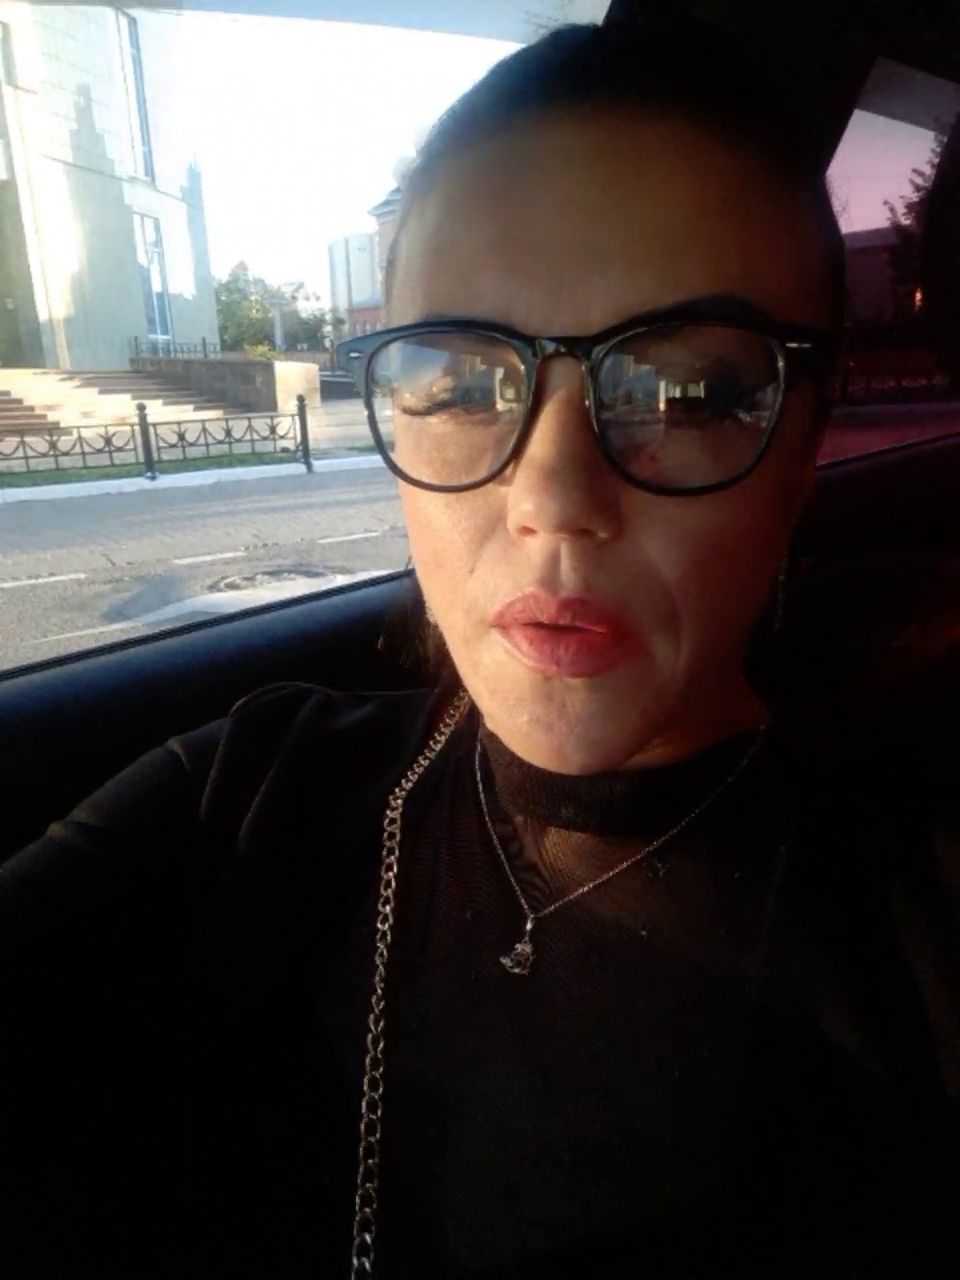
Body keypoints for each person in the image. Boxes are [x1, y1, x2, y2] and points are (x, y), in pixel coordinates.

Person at [1, 15, 958, 1280]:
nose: (553, 497)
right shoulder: (243, 805)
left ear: (806, 446)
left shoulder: (922, 942)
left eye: (684, 392)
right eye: (457, 383)